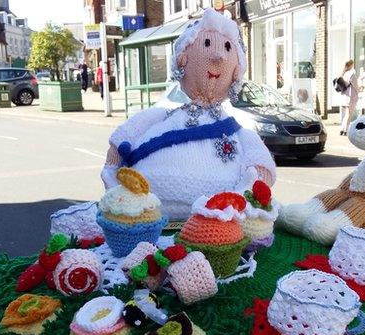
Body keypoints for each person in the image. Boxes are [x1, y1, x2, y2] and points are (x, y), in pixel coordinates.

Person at [101, 8, 276, 221]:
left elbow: (261, 166)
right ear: (182, 59)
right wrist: (112, 174)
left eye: (227, 49)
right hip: (147, 216)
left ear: (236, 71)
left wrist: (245, 192)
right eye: (207, 44)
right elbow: (124, 139)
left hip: (217, 225)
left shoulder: (238, 132)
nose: (218, 56)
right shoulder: (160, 116)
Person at [334, 60, 359, 136]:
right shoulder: (352, 74)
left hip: (345, 96)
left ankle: (342, 129)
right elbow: (355, 86)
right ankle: (346, 130)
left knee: (346, 114)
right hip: (351, 96)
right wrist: (359, 90)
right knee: (349, 114)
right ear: (351, 65)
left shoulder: (344, 74)